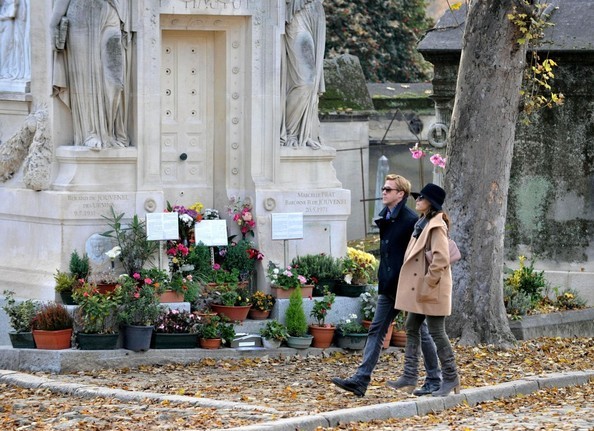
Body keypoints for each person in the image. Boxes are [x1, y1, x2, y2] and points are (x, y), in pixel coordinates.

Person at [332, 174, 442, 397]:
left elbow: (423, 255)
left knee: (421, 332)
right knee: (376, 330)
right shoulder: (387, 217)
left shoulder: (411, 220)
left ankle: (435, 379)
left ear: (400, 194)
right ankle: (361, 380)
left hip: (408, 286)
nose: (383, 192)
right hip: (389, 286)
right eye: (383, 188)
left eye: (388, 189)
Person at [388, 183, 460, 397]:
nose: (417, 200)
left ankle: (450, 377)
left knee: (437, 332)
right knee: (411, 325)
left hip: (433, 289)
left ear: (431, 203)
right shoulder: (422, 223)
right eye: (418, 197)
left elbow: (440, 259)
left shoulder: (436, 226)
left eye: (422, 198)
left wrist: (428, 284)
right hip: (422, 288)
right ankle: (409, 376)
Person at [50, 0, 131, 149]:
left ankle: (109, 132)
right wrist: (53, 25)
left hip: (110, 14)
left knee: (114, 81)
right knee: (85, 77)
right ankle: (90, 132)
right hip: (80, 16)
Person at [280, 0, 325, 149]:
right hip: (296, 14)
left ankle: (305, 133)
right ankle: (290, 132)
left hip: (315, 13)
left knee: (312, 82)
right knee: (306, 81)